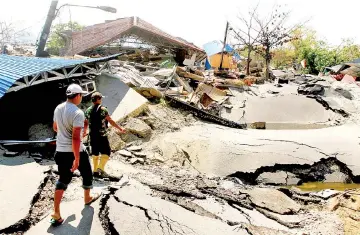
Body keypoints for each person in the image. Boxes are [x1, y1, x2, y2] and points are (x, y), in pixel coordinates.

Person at [51, 84, 100, 226]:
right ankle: (87, 198)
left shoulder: (58, 108)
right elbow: (75, 138)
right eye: (81, 95)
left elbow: (55, 128)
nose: (82, 97)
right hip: (75, 151)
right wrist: (77, 158)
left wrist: (67, 128)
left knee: (63, 179)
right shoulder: (78, 112)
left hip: (60, 151)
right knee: (87, 173)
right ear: (77, 96)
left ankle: (56, 212)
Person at [85, 92, 126, 177]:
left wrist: (83, 133)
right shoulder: (103, 110)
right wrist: (120, 128)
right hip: (102, 135)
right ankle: (101, 167)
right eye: (101, 98)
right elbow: (110, 121)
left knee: (95, 153)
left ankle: (95, 171)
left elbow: (85, 123)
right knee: (107, 151)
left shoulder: (88, 110)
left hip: (92, 135)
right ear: (98, 99)